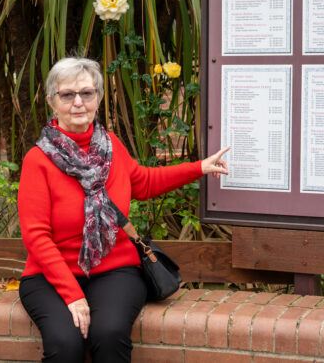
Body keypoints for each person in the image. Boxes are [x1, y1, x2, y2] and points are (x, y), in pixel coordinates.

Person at [17, 57, 229, 362]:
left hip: (114, 268)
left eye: (87, 94)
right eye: (67, 95)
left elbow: (143, 182)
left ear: (98, 99)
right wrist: (73, 295)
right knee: (65, 343)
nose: (78, 102)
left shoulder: (111, 146)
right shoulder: (37, 161)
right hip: (50, 276)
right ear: (52, 102)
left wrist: (199, 167)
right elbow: (36, 236)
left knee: (110, 333)